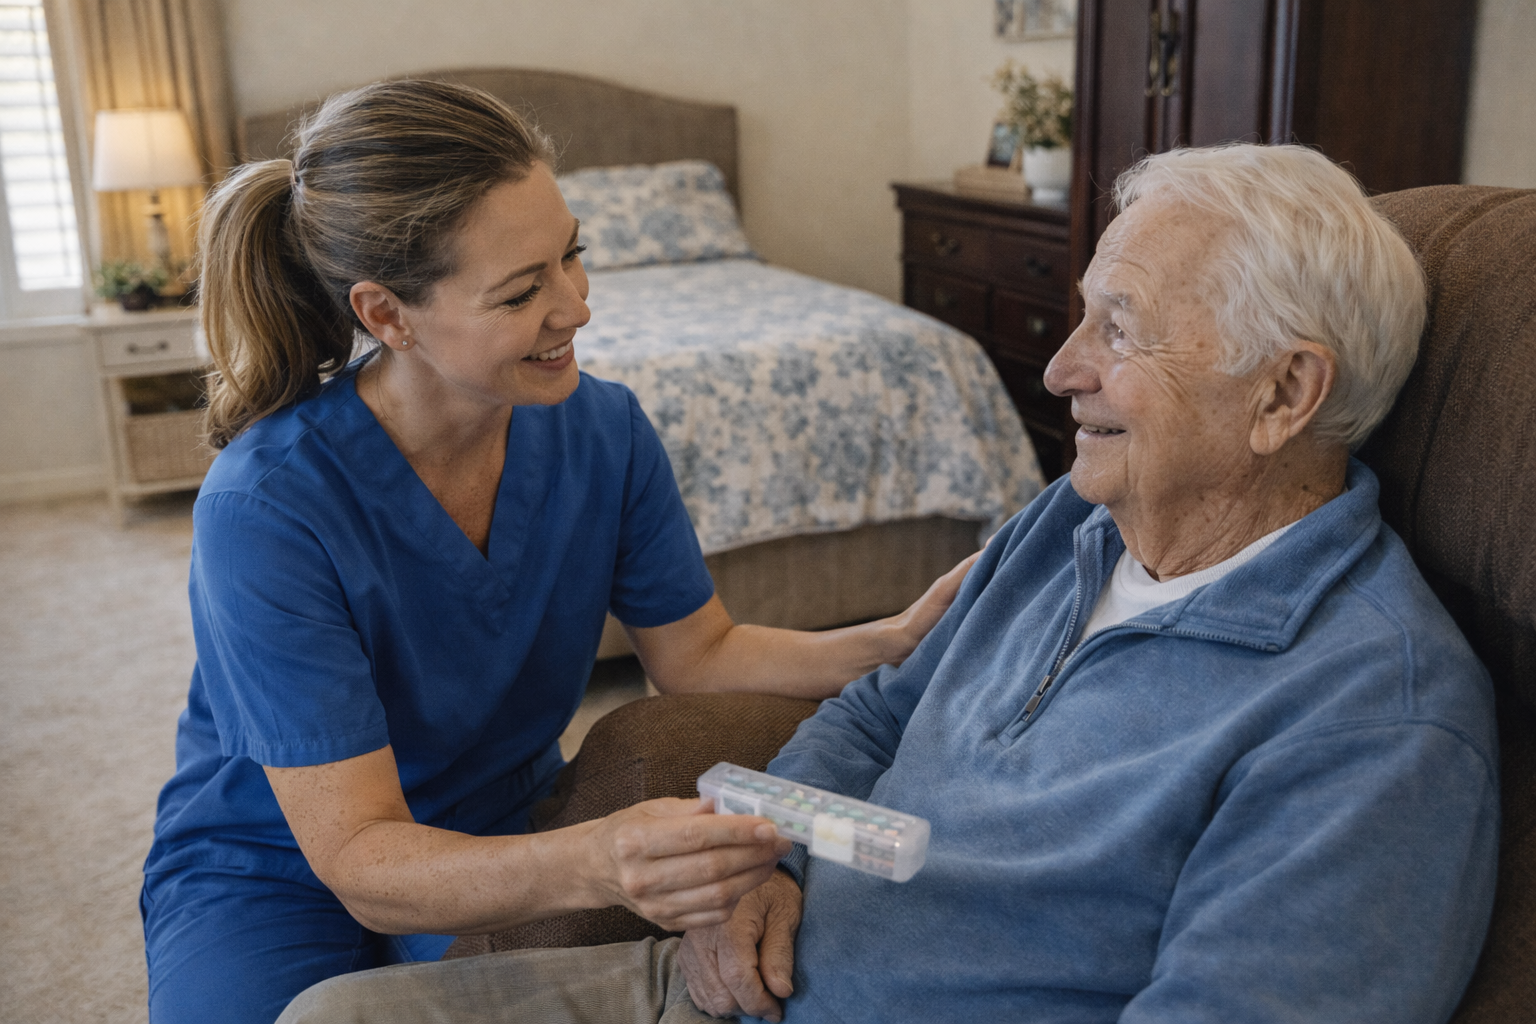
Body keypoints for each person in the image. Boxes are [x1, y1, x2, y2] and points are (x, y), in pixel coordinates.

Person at [277, 143, 1500, 1024]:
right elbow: (870, 717)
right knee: (330, 1014)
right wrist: (765, 861)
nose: (1058, 368)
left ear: (1285, 395)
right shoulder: (1069, 527)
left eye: (1118, 330)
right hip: (735, 982)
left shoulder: (1372, 722)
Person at [140, 79, 977, 1024]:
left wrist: (891, 639)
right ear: (386, 316)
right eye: (522, 289)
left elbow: (698, 655)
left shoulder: (604, 430)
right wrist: (598, 861)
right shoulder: (269, 504)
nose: (576, 307)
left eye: (572, 255)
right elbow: (362, 859)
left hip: (502, 819)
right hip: (274, 863)